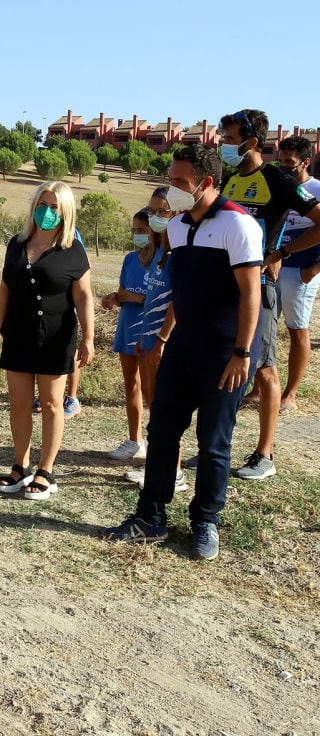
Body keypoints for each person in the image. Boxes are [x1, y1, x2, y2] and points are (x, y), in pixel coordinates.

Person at [105, 144, 263, 561]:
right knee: (162, 432)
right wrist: (162, 337)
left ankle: (205, 521)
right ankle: (150, 515)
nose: (171, 191)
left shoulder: (238, 225)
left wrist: (242, 353)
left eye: (180, 183)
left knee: (213, 442)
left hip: (224, 354)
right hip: (182, 348)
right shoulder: (177, 228)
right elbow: (181, 291)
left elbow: (251, 296)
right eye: (171, 179)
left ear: (206, 184)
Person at [218, 110, 320, 481]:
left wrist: (281, 254)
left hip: (260, 289)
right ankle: (219, 446)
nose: (224, 145)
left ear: (252, 142)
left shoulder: (277, 178)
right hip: (224, 289)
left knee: (262, 368)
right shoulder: (229, 180)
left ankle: (264, 454)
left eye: (230, 139)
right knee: (226, 365)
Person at [0, 181, 94, 500]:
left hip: (56, 337)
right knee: (19, 404)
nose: (46, 212)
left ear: (65, 212)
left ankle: (46, 471)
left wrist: (88, 338)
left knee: (52, 405)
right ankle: (20, 465)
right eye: (42, 204)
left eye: (54, 207)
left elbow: (84, 297)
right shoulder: (16, 243)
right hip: (18, 335)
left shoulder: (73, 250)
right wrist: (1, 321)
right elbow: (6, 285)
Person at [124, 188, 184, 490]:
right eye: (153, 211)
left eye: (163, 211)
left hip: (163, 343)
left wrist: (161, 338)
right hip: (148, 340)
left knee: (165, 409)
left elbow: (177, 301)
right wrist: (145, 337)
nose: (156, 217)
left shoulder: (180, 253)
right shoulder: (159, 251)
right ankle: (157, 466)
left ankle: (173, 472)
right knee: (154, 407)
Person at [101, 209, 153, 461]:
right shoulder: (130, 259)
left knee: (152, 390)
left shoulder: (162, 261)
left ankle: (158, 444)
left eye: (142, 230)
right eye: (134, 230)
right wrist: (114, 298)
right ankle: (134, 440)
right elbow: (124, 293)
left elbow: (161, 299)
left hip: (148, 331)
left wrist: (135, 297)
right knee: (131, 385)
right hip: (127, 327)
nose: (137, 235)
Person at [274, 136, 320, 415]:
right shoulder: (279, 187)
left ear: (305, 162)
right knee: (262, 327)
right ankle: (260, 387)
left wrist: (313, 270)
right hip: (273, 266)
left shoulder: (316, 189)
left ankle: (290, 394)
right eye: (280, 161)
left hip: (301, 270)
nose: (283, 167)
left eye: (289, 162)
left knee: (296, 329)